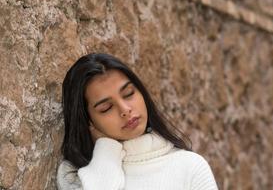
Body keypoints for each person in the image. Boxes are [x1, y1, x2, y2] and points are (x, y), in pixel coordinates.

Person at [57, 53, 218, 190]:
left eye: (128, 94)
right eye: (106, 108)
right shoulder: (75, 177)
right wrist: (105, 151)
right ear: (88, 121)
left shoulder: (190, 166)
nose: (125, 110)